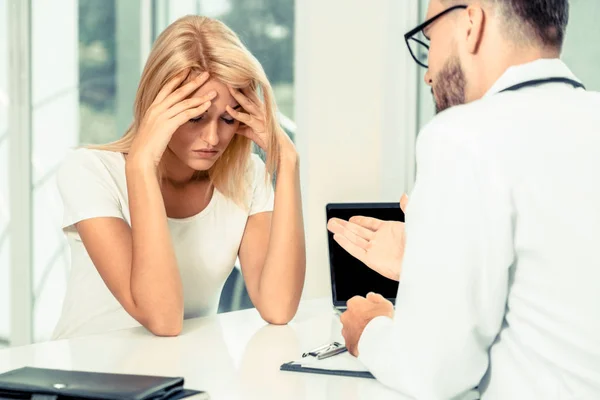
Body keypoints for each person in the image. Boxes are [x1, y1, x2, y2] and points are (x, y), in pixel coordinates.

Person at [328, 0, 600, 398]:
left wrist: (369, 330)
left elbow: (433, 373)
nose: (428, 75)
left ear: (471, 23)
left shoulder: (463, 137)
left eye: (430, 37)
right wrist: (428, 263)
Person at [53, 15, 306, 340]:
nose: (213, 138)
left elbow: (279, 306)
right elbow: (163, 319)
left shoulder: (246, 178)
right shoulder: (90, 171)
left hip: (182, 378)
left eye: (228, 119)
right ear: (157, 106)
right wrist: (142, 166)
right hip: (88, 380)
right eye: (195, 117)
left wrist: (288, 162)